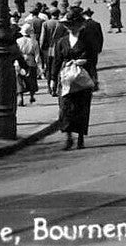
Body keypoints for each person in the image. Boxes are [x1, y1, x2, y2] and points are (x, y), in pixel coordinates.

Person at [51, 8, 95, 151]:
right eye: (68, 25)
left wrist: (85, 62)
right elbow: (56, 61)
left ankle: (80, 137)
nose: (71, 28)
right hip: (65, 79)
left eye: (73, 25)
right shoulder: (61, 42)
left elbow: (93, 59)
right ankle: (68, 137)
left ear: (79, 25)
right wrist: (53, 79)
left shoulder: (87, 41)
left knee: (82, 108)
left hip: (82, 79)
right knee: (65, 108)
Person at [39, 8, 64, 96]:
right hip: (58, 49)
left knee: (48, 68)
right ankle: (55, 87)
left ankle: (49, 87)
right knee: (57, 68)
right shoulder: (61, 24)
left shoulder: (45, 24)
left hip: (48, 49)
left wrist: (41, 48)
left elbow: (42, 38)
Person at [16, 21, 40, 105]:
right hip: (31, 60)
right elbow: (37, 55)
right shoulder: (34, 42)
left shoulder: (18, 41)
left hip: (19, 60)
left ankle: (20, 96)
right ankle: (32, 96)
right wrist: (38, 65)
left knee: (19, 79)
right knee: (32, 79)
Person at [81, 8, 105, 90]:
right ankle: (95, 82)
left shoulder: (83, 25)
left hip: (85, 49)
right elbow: (100, 37)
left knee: (86, 67)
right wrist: (99, 48)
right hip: (94, 49)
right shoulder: (96, 24)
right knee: (93, 66)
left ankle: (88, 84)